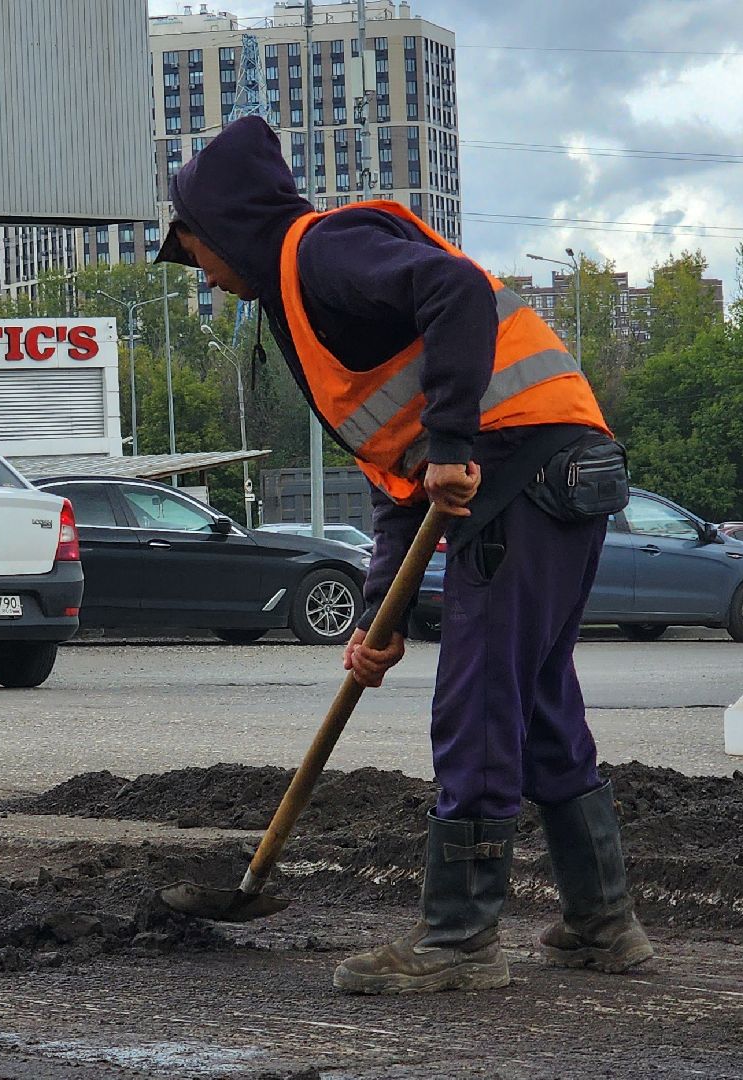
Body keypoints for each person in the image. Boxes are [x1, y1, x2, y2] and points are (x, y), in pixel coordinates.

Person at [156, 117, 654, 993]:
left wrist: (456, 439)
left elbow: (454, 288)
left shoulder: (322, 253)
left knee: (479, 705)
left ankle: (459, 941)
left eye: (191, 245)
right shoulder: (304, 304)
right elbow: (398, 474)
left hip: (517, 467)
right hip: (546, 469)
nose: (196, 268)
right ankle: (601, 924)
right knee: (531, 701)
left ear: (225, 226)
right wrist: (375, 615)